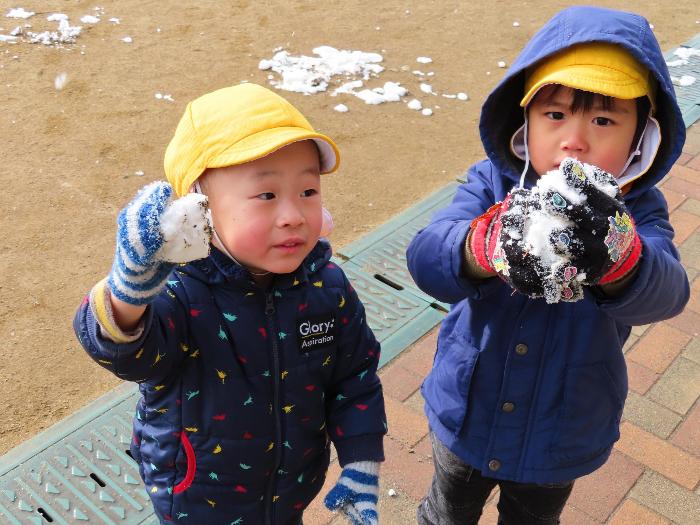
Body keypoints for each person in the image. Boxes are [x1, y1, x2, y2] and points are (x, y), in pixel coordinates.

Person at [407, 6, 688, 524]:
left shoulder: (637, 212)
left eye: (603, 120)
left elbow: (670, 291)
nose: (574, 140)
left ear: (639, 137)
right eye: (554, 115)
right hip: (468, 408)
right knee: (446, 514)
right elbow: (426, 257)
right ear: (526, 120)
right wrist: (485, 245)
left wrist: (621, 257)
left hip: (562, 429)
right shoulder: (491, 184)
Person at [73, 83, 386, 525]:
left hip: (291, 490)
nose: (294, 214)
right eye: (267, 195)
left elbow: (355, 377)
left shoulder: (327, 287)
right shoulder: (181, 293)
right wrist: (130, 291)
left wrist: (361, 461)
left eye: (308, 192)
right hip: (199, 496)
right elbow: (130, 354)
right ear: (198, 210)